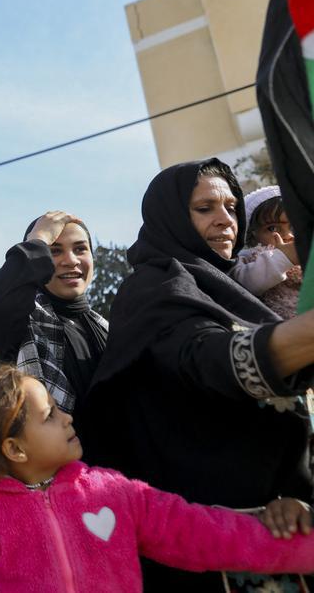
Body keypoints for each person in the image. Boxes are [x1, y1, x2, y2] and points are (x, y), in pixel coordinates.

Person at [86, 158, 314, 590]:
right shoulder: (154, 288)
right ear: (171, 216)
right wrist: (301, 339)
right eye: (205, 208)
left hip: (280, 539)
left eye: (231, 207)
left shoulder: (236, 289)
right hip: (200, 549)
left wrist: (293, 495)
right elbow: (204, 358)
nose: (226, 220)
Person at [0, 366, 314, 593]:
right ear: (15, 449)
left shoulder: (114, 492)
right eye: (50, 415)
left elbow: (203, 533)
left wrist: (304, 547)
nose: (67, 418)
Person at [0, 212, 107, 428]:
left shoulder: (109, 331)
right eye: (54, 250)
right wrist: (39, 238)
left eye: (80, 249)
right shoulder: (21, 325)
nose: (71, 261)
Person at [230, 185, 304, 320]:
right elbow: (245, 284)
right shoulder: (248, 257)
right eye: (273, 228)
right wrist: (283, 258)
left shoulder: (307, 255)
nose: (288, 235)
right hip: (276, 324)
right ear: (252, 233)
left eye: (294, 227)